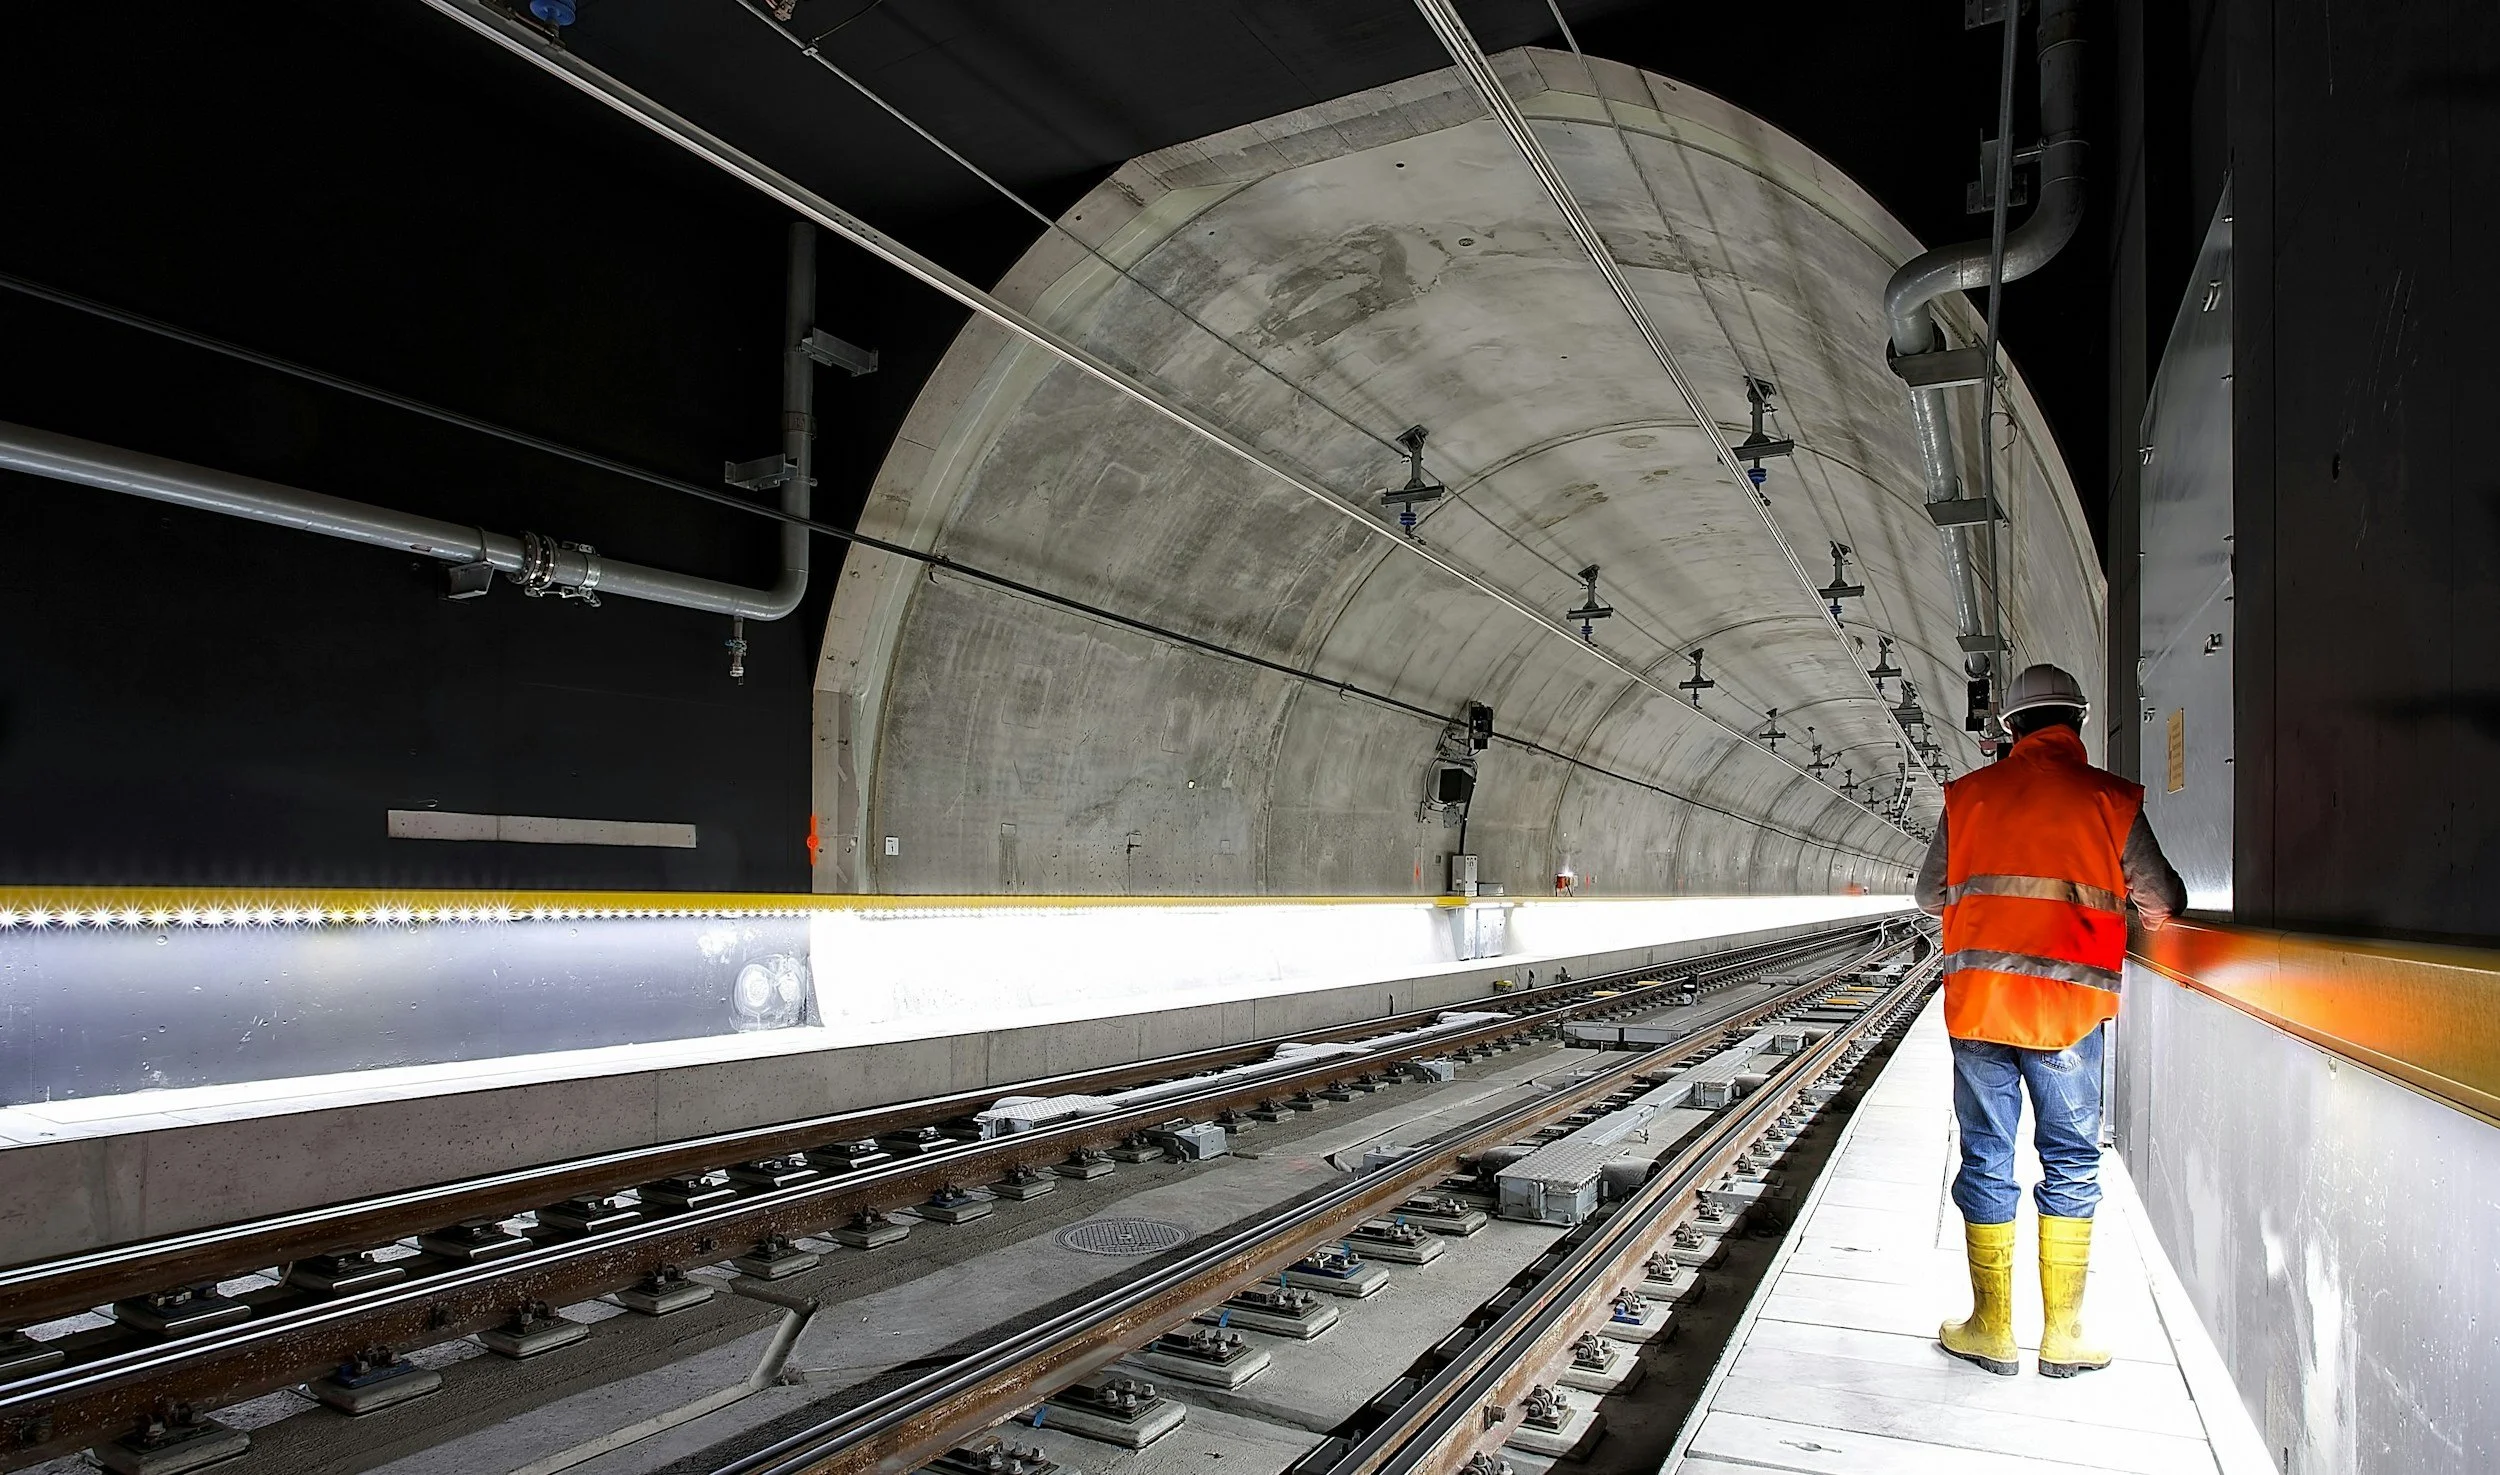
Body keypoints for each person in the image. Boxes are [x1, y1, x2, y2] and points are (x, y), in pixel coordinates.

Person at [1914, 662, 2186, 1378]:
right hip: (2068, 1013)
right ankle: (2063, 1334)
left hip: (1980, 1010)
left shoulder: (1967, 797)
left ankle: (1990, 1327)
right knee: (2069, 1157)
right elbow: (2162, 898)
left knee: (1987, 1153)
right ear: (2078, 721)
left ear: (2009, 727)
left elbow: (1926, 893)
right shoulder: (2110, 800)